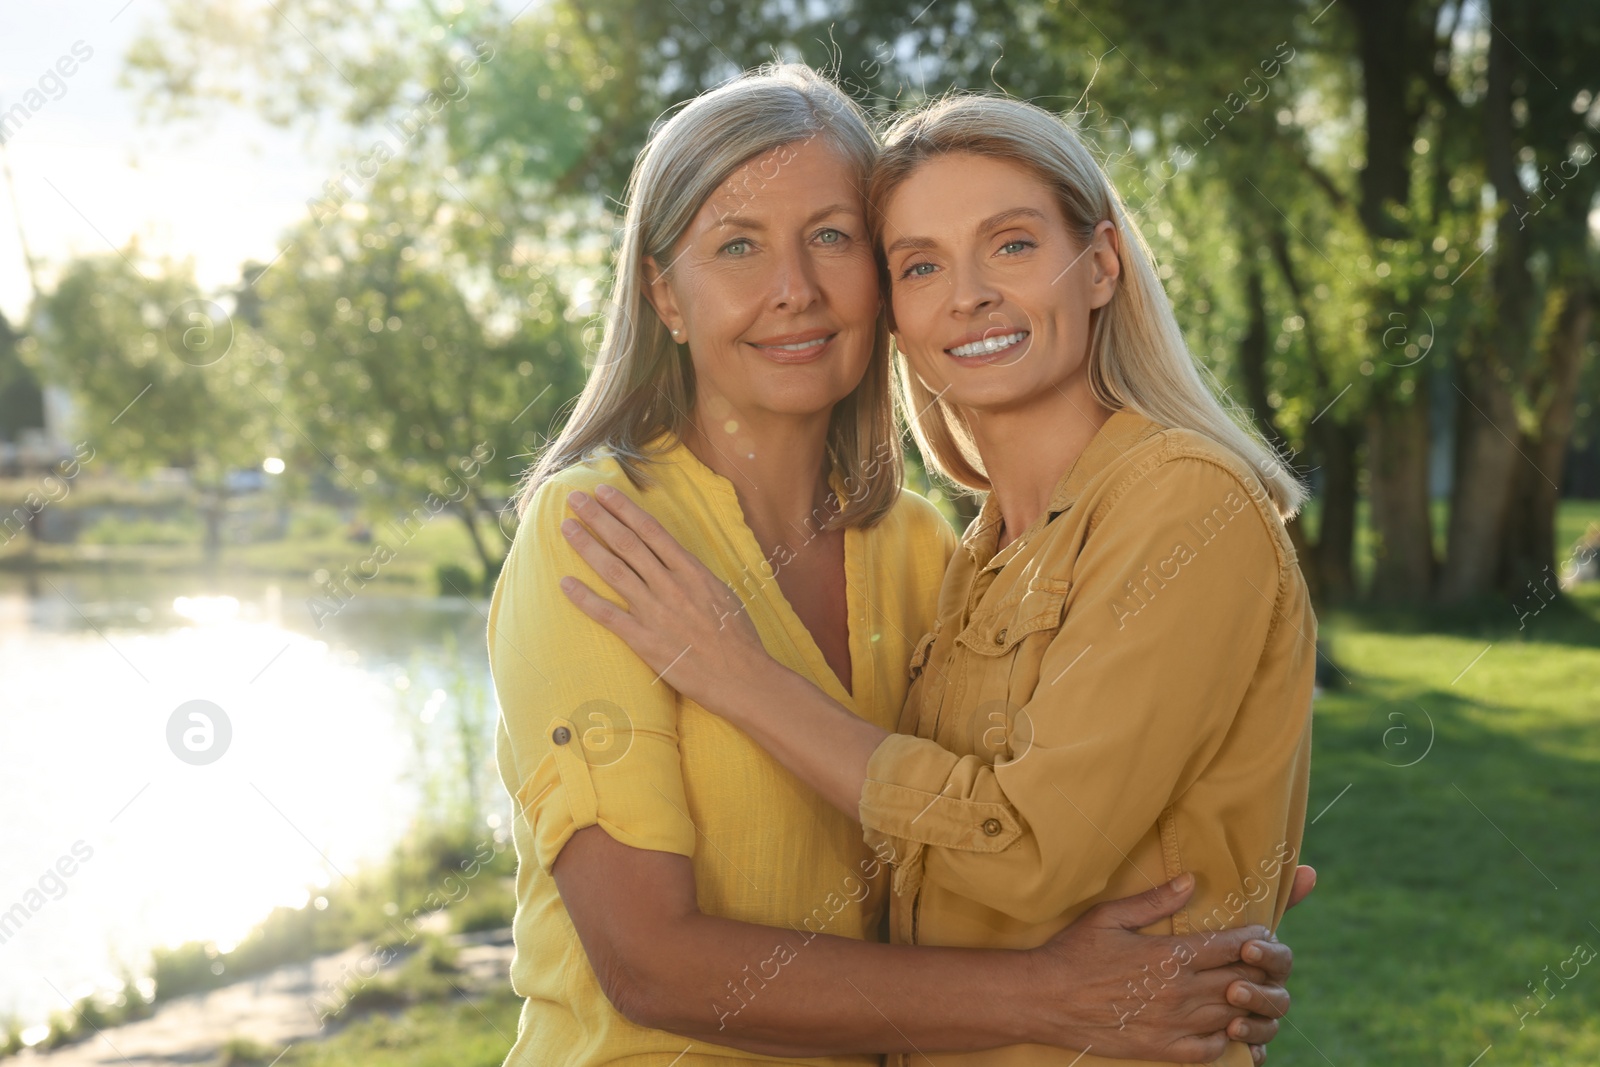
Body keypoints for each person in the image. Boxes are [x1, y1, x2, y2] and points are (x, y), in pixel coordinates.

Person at [556, 89, 1317, 1067]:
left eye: (1011, 244)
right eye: (921, 264)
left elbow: (1030, 848)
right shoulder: (971, 555)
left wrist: (741, 677)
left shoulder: (1183, 500)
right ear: (895, 315)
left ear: (1100, 264)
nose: (969, 295)